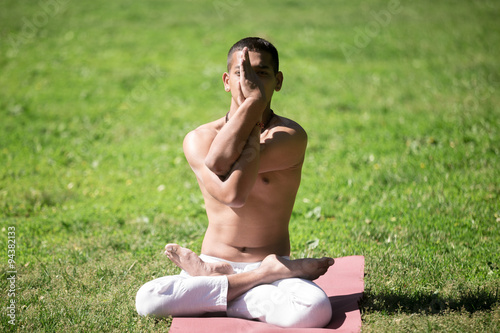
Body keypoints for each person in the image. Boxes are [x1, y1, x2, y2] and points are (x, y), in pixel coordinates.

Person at [135, 37, 334, 328]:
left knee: (313, 311)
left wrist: (251, 106)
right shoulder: (198, 138)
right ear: (227, 81)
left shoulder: (290, 136)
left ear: (278, 81)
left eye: (261, 74)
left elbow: (226, 170)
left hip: (269, 257)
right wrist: (255, 103)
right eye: (242, 74)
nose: (249, 82)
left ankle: (216, 286)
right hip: (248, 265)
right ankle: (256, 279)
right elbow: (231, 192)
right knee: (148, 299)